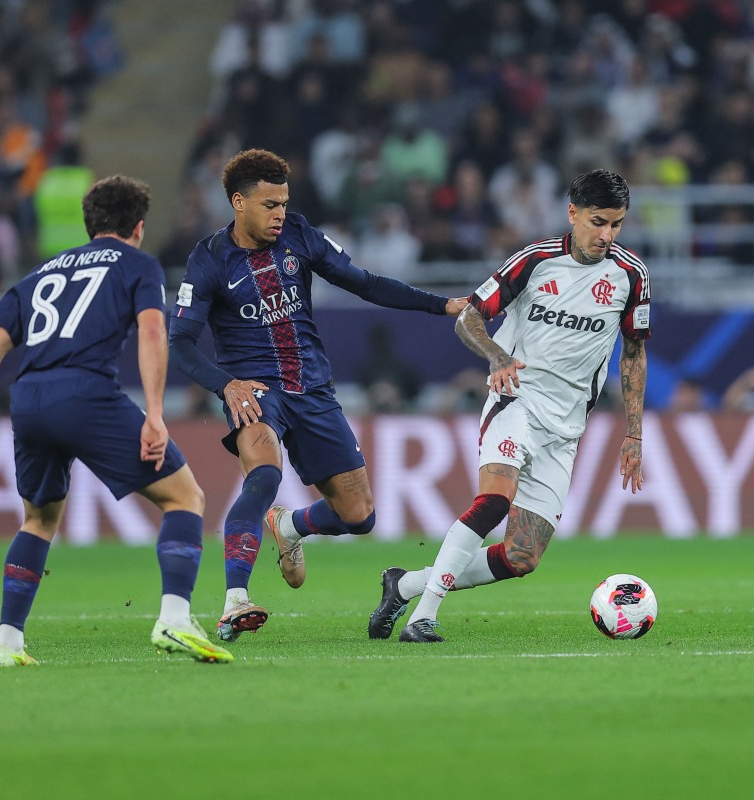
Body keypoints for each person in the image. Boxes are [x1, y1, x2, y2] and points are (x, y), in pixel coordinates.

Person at [168, 148, 466, 642]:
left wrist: (441, 305)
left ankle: (290, 526)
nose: (280, 213)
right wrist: (227, 384)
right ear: (238, 203)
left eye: (284, 203)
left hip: (313, 390)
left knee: (359, 516)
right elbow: (179, 341)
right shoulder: (210, 258)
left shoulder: (300, 235)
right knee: (264, 475)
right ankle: (235, 600)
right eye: (269, 204)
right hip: (256, 392)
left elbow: (365, 283)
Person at [0, 175, 231, 666]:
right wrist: (156, 413)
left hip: (28, 399)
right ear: (138, 227)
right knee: (184, 497)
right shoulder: (138, 264)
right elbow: (151, 332)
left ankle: (7, 643)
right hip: (84, 393)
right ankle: (175, 618)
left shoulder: (38, 274)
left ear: (89, 224)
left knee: (38, 519)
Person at [364, 168, 651, 643]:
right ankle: (423, 616)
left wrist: (634, 432)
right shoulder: (535, 261)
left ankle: (406, 586)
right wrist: (498, 356)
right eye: (598, 222)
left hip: (565, 428)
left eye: (616, 224)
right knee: (494, 501)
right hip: (516, 400)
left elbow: (634, 353)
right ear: (573, 213)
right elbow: (469, 317)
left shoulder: (630, 276)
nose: (607, 235)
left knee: (522, 557)